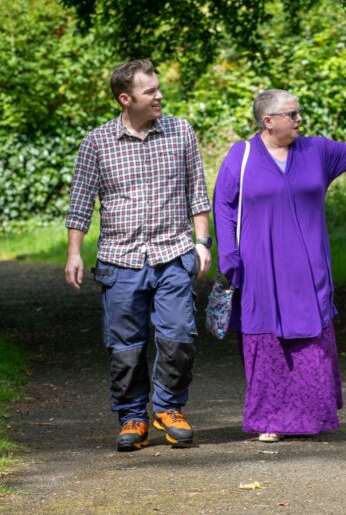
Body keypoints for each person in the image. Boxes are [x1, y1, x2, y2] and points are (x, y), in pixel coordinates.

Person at [214, 89, 346, 441]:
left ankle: (310, 418)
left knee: (310, 339)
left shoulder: (317, 151)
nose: (299, 119)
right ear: (268, 121)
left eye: (299, 112)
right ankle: (271, 422)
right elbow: (224, 206)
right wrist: (228, 254)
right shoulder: (240, 156)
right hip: (259, 268)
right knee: (267, 342)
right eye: (292, 114)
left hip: (308, 267)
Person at [64, 59, 212, 451]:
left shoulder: (180, 132)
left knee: (179, 335)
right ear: (126, 99)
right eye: (151, 92)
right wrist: (74, 253)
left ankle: (168, 408)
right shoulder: (97, 142)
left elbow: (197, 191)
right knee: (125, 347)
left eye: (159, 89)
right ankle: (132, 416)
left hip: (173, 252)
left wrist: (201, 242)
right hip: (120, 258)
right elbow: (81, 203)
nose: (160, 96)